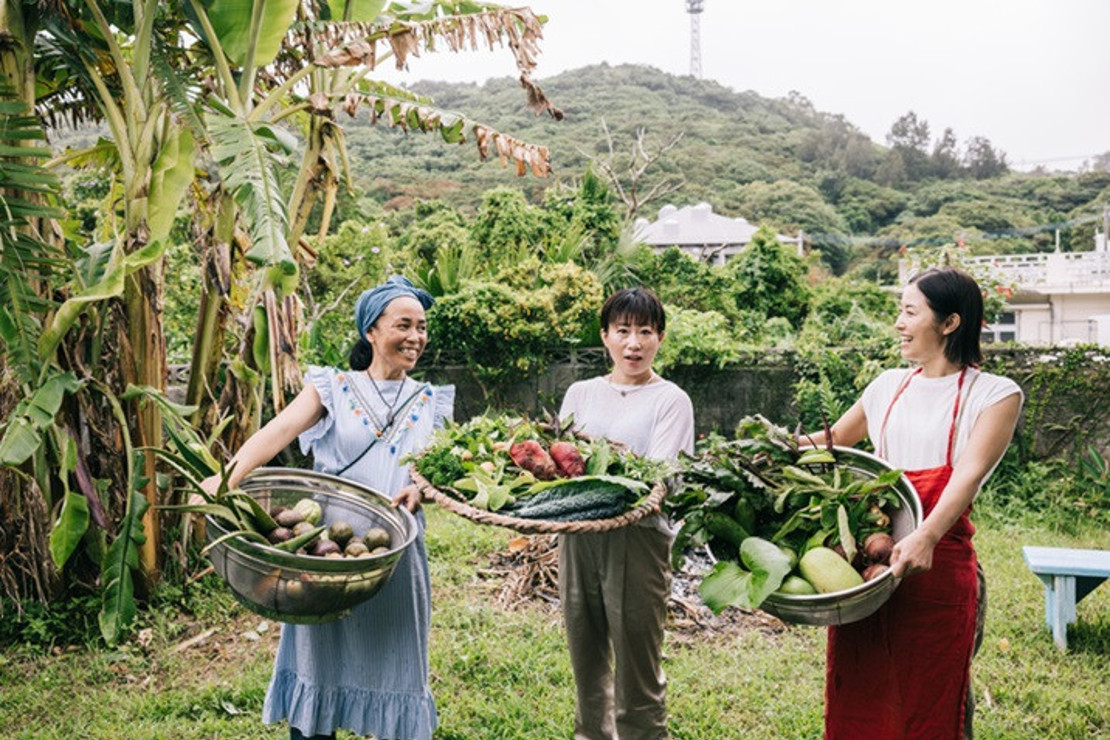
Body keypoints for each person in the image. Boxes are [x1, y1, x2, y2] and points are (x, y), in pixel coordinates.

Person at [200, 276, 454, 740]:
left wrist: (423, 489)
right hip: (322, 553)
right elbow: (278, 431)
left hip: (393, 556)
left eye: (421, 327)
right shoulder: (334, 387)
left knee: (397, 664)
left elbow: (437, 472)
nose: (416, 337)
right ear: (371, 331)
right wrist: (226, 478)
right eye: (403, 325)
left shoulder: (432, 400)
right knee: (319, 662)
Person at [804, 267, 1022, 740]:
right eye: (899, 312)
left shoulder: (995, 394)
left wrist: (926, 535)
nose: (898, 323)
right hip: (872, 569)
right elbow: (835, 439)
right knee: (862, 691)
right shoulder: (886, 385)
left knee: (934, 700)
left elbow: (968, 474)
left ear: (949, 323)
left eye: (909, 312)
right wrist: (774, 448)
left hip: (937, 564)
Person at [557, 287, 695, 740]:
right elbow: (562, 462)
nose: (633, 343)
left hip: (639, 538)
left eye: (645, 332)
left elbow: (660, 476)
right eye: (623, 331)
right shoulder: (580, 393)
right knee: (585, 655)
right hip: (577, 536)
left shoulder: (671, 399)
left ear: (660, 338)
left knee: (638, 666)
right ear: (605, 336)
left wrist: (596, 470)